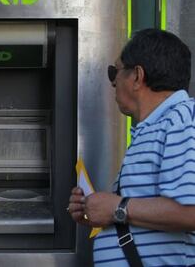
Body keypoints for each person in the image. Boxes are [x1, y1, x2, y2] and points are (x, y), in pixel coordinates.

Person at [68, 28, 195, 266]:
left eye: (115, 71)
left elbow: (191, 212)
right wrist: (96, 211)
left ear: (137, 76)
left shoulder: (181, 119)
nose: (113, 81)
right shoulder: (156, 126)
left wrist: (116, 207)